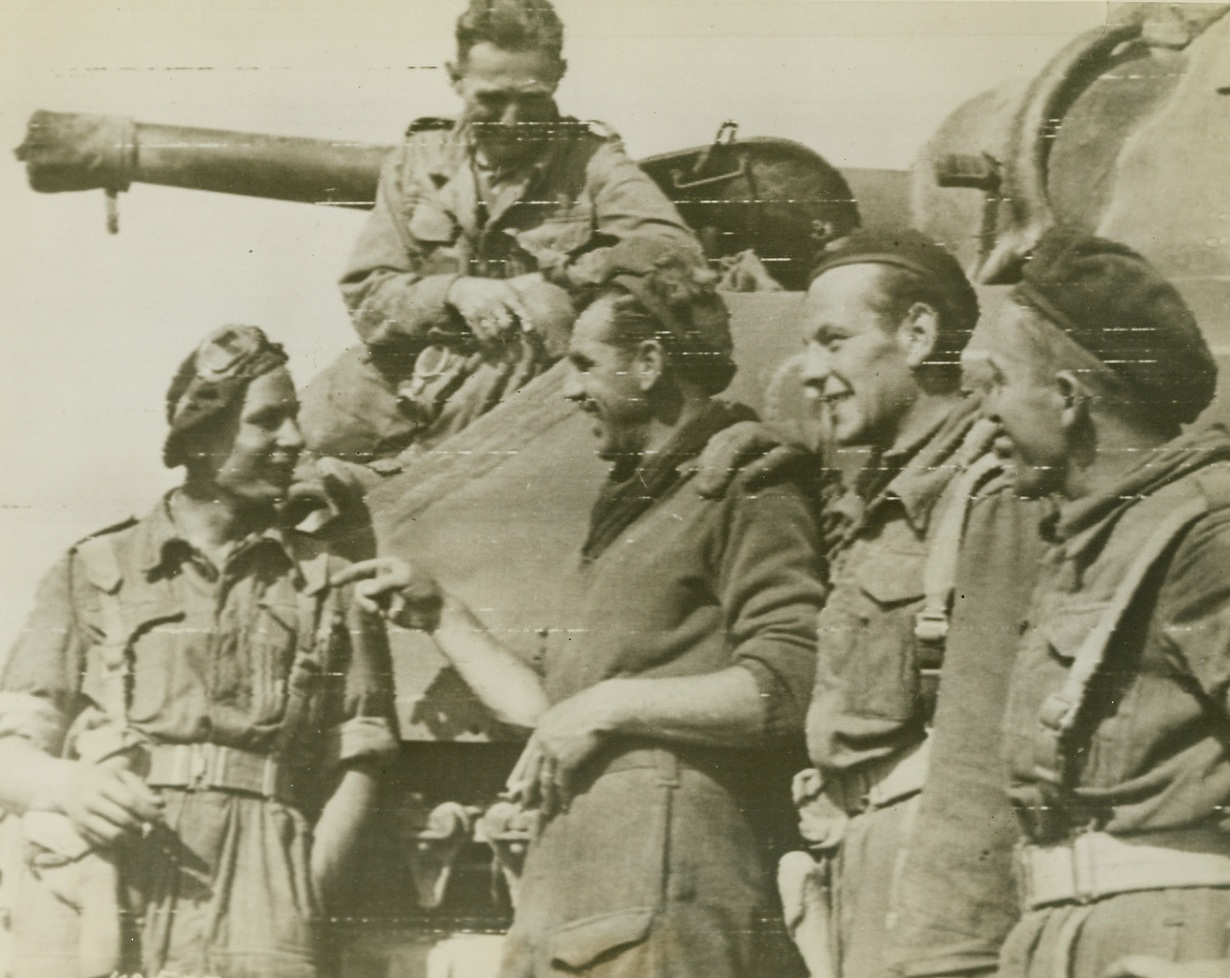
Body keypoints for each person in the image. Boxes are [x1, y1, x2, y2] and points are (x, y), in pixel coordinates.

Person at [337, 237, 831, 978]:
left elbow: (789, 684)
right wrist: (441, 614)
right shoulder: (632, 514)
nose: (568, 391)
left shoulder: (743, 485)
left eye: (584, 365)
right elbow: (554, 713)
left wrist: (607, 707)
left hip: (663, 880)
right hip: (580, 886)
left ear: (651, 364)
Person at [695, 227, 1044, 978]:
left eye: (834, 342)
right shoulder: (869, 492)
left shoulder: (993, 489)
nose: (810, 371)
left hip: (938, 877)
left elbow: (991, 742)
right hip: (859, 853)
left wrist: (954, 939)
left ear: (918, 335)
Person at [0, 326, 399, 978]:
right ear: (203, 438)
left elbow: (361, 756)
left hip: (267, 886)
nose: (295, 441)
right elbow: (11, 744)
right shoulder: (97, 568)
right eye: (268, 421)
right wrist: (68, 785)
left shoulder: (330, 580)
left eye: (294, 418)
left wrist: (303, 895)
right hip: (119, 873)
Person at [964, 228, 1230, 978]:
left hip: (1173, 945)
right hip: (1067, 940)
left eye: (1000, 387)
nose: (984, 419)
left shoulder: (1205, 533)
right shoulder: (1087, 539)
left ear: (1068, 399)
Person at [299, 0, 699, 463]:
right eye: (490, 99)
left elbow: (675, 255)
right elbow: (367, 294)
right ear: (455, 77)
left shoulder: (592, 164)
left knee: (540, 312)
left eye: (531, 99)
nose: (511, 120)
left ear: (559, 75)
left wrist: (557, 283)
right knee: (284, 454)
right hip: (406, 375)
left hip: (515, 387)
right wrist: (455, 291)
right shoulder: (418, 161)